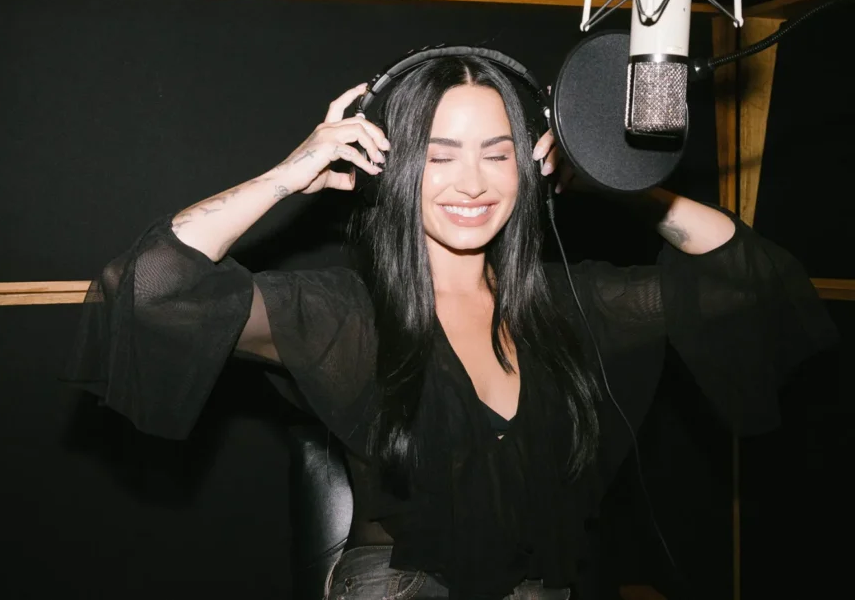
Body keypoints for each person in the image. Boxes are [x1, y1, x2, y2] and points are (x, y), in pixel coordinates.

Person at [65, 55, 837, 600]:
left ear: (529, 168)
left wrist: (617, 180)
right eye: (440, 156)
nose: (472, 182)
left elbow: (754, 284)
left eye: (497, 155)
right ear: (399, 168)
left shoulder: (572, 303)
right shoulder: (345, 314)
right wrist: (284, 177)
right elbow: (147, 291)